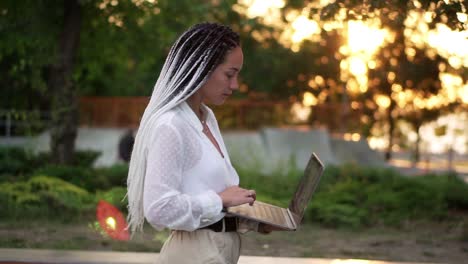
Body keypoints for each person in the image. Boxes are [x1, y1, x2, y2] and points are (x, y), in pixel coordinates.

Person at [126, 22, 273, 264]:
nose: (235, 85)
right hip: (195, 255)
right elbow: (159, 209)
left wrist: (249, 219)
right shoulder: (171, 126)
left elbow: (206, 194)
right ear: (203, 68)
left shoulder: (206, 117)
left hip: (216, 251)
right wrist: (221, 200)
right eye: (230, 74)